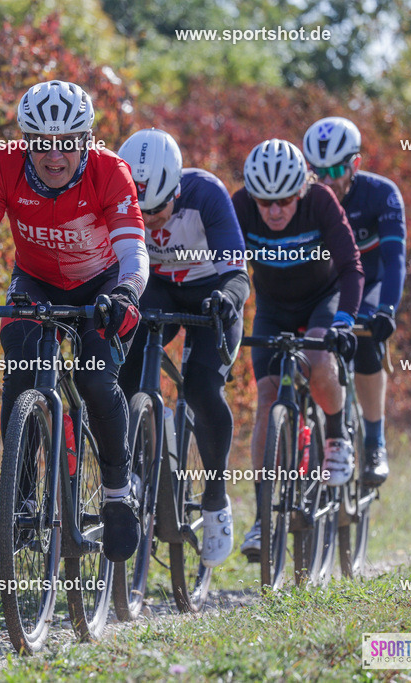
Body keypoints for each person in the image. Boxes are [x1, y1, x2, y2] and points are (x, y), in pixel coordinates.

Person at [0, 80, 149, 562]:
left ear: (86, 140)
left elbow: (134, 253)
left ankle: (118, 493)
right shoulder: (4, 165)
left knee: (96, 382)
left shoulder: (109, 170)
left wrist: (125, 292)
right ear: (26, 141)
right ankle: (24, 494)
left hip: (102, 284)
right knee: (20, 359)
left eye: (67, 143)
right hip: (35, 279)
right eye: (41, 143)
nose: (54, 156)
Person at [116, 128, 250, 568]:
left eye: (157, 209)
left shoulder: (207, 193)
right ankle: (137, 461)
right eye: (140, 211)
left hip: (212, 293)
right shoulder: (119, 196)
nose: (149, 220)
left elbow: (238, 273)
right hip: (158, 290)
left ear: (176, 189)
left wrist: (228, 299)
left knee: (200, 389)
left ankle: (214, 498)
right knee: (123, 367)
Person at [232, 139, 364, 562]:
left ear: (301, 191)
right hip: (273, 307)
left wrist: (343, 321)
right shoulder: (240, 206)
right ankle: (263, 516)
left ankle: (338, 434)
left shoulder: (321, 201)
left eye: (284, 201)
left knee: (320, 359)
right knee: (268, 398)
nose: (273, 212)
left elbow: (350, 266)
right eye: (265, 202)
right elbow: (225, 265)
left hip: (321, 300)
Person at [303, 117, 406, 486]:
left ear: (355, 165)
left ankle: (374, 440)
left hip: (372, 282)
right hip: (327, 284)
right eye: (316, 171)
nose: (326, 181)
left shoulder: (382, 195)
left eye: (334, 170)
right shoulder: (301, 195)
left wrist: (387, 311)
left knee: (364, 341)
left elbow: (394, 261)